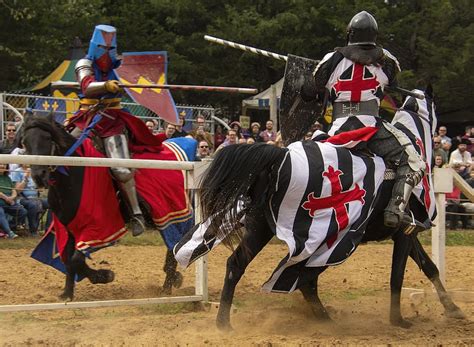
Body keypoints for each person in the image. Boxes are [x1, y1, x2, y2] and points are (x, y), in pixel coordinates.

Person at [300, 10, 426, 230]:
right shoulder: (386, 60)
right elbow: (392, 80)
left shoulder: (331, 60)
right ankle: (395, 210)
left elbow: (308, 92)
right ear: (374, 36)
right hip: (371, 128)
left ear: (349, 34)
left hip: (338, 131)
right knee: (415, 162)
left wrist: (313, 76)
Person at [68, 24, 166, 236]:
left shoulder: (121, 65)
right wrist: (107, 86)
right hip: (87, 117)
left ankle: (136, 214)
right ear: (95, 46)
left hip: (112, 120)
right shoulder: (85, 63)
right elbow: (87, 86)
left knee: (121, 169)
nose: (106, 52)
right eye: (103, 47)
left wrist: (121, 82)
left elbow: (139, 82)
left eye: (110, 48)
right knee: (64, 152)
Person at [11, 164, 50, 236]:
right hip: (22, 199)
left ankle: (48, 229)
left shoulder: (35, 171)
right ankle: (33, 230)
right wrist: (25, 178)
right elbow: (17, 191)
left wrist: (40, 185)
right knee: (33, 205)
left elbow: (41, 188)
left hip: (36, 198)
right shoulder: (17, 172)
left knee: (52, 203)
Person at [0, 164, 26, 238]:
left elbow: (13, 190)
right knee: (0, 212)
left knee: (22, 211)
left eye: (4, 165)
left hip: (9, 202)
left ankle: (8, 227)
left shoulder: (7, 178)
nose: (2, 166)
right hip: (1, 202)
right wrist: (7, 198)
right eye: (0, 164)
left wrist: (12, 197)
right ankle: (9, 232)